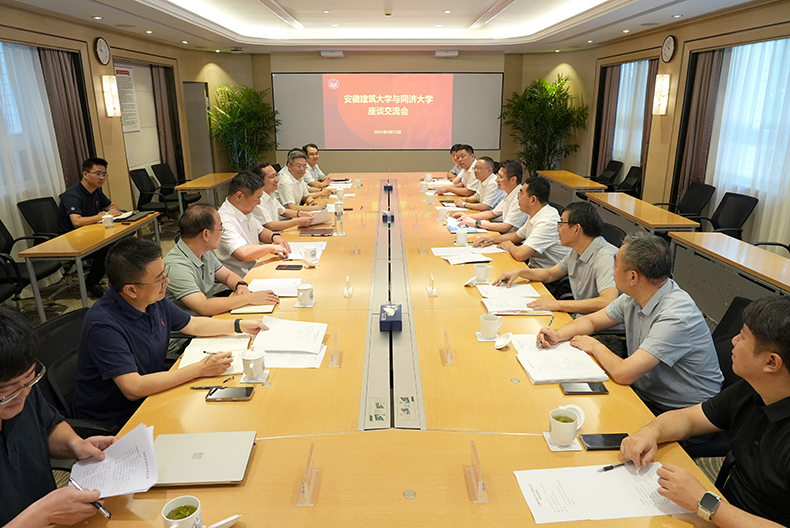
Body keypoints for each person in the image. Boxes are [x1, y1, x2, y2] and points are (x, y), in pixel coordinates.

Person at [620, 296, 790, 527]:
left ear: (771, 363)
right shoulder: (754, 388)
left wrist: (706, 502)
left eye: (742, 336)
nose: (733, 341)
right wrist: (650, 433)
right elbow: (689, 418)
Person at [73, 237, 268, 429]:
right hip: (119, 419)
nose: (167, 281)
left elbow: (192, 324)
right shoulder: (104, 324)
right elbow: (133, 388)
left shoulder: (152, 299)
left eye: (164, 273)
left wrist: (239, 325)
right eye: (159, 279)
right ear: (131, 290)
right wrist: (200, 369)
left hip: (154, 393)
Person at [538, 232, 723, 414]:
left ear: (633, 277)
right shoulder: (636, 295)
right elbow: (592, 321)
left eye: (616, 264)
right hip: (646, 392)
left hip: (682, 411)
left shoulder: (675, 317)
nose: (612, 269)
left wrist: (594, 346)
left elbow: (623, 373)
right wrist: (558, 334)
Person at [0, 307, 117, 527]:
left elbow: (48, 425)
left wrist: (75, 445)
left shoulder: (24, 388)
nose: (24, 393)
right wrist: (44, 513)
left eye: (29, 378)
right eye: (8, 390)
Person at [494, 201, 618, 315]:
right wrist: (520, 272)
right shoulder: (576, 251)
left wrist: (558, 304)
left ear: (576, 229)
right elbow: (550, 274)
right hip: (582, 316)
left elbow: (607, 301)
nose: (558, 229)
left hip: (600, 324)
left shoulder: (605, 258)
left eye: (561, 223)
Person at [164, 205, 280, 316]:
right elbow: (203, 307)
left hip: (210, 315)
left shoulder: (203, 251)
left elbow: (227, 276)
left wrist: (241, 286)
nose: (222, 232)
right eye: (220, 229)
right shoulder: (177, 266)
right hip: (195, 324)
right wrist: (248, 298)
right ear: (206, 234)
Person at [56, 157, 122, 298]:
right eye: (97, 174)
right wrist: (102, 215)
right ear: (85, 174)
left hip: (90, 232)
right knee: (107, 248)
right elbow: (77, 222)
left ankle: (117, 277)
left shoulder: (96, 190)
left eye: (104, 174)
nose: (101, 178)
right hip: (71, 239)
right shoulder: (72, 194)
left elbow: (112, 206)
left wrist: (109, 212)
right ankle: (92, 282)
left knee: (121, 239)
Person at [473, 175, 568, 268]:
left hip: (547, 274)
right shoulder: (536, 213)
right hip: (534, 267)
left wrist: (510, 246)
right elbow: (516, 236)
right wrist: (490, 239)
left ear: (533, 200)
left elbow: (521, 254)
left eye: (521, 194)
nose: (518, 198)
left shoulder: (547, 222)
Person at [216, 171, 291, 278]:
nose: (259, 203)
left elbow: (261, 231)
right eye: (257, 198)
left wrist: (275, 237)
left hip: (257, 267)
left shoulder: (244, 209)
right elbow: (242, 253)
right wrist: (271, 248)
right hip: (241, 278)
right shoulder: (224, 220)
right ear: (239, 196)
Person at [451, 159, 527, 234]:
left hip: (511, 237)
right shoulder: (510, 193)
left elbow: (505, 227)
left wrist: (476, 223)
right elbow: (493, 213)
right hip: (504, 233)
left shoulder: (520, 197)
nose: (496, 180)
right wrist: (468, 216)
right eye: (497, 175)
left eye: (500, 177)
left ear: (513, 180)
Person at [251, 162, 315, 231]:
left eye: (276, 175)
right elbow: (270, 225)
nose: (277, 179)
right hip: (271, 235)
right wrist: (298, 221)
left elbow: (283, 211)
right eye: (272, 176)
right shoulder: (257, 199)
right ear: (260, 181)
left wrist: (301, 213)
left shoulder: (270, 194)